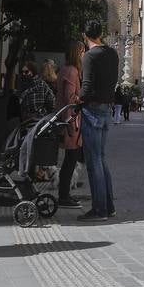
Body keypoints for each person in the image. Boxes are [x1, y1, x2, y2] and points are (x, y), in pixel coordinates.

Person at [76, 20, 120, 221]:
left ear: (85, 36)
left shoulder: (89, 56)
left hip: (91, 109)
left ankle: (100, 209)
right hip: (106, 108)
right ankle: (109, 207)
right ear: (101, 33)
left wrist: (78, 100)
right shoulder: (113, 54)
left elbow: (86, 87)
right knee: (101, 159)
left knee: (94, 162)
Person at [55, 42, 86, 210]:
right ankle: (64, 196)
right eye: (82, 52)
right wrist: (83, 98)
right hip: (71, 122)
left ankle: (64, 194)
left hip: (67, 119)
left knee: (70, 160)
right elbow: (70, 98)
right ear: (77, 52)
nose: (84, 55)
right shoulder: (72, 71)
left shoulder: (65, 69)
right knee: (70, 160)